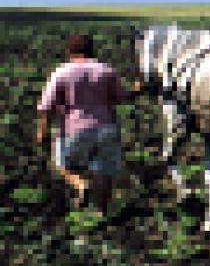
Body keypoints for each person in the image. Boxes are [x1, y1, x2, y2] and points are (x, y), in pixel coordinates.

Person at [36, 34, 140, 216]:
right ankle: (102, 213)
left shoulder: (62, 72)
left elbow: (47, 106)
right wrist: (137, 90)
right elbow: (122, 97)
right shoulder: (106, 70)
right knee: (104, 171)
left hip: (74, 128)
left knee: (63, 165)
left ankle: (80, 184)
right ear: (92, 50)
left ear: (70, 51)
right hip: (107, 127)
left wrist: (42, 130)